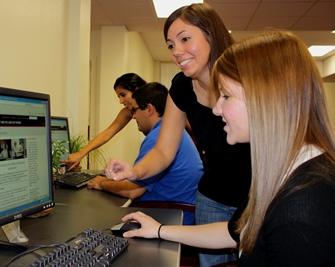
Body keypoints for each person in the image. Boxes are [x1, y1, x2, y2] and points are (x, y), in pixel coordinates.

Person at [116, 30, 335, 266]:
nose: (217, 109)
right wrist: (159, 230)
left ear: (266, 99)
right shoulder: (282, 172)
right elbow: (234, 232)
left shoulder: (303, 208)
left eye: (226, 97)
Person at [105, 3, 251, 266]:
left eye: (185, 39)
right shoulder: (182, 87)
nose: (177, 52)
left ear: (211, 36)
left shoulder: (246, 79)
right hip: (212, 197)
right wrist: (134, 172)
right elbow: (163, 151)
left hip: (255, 195)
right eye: (171, 45)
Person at [87, 82, 203, 225]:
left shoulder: (158, 137)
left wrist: (102, 183)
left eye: (134, 110)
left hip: (169, 215)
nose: (134, 116)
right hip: (179, 212)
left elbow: (133, 192)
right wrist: (130, 172)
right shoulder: (169, 131)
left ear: (149, 109)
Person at [60, 73, 147, 170]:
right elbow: (107, 133)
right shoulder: (127, 112)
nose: (121, 101)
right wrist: (81, 153)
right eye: (119, 97)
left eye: (123, 95)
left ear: (137, 90)